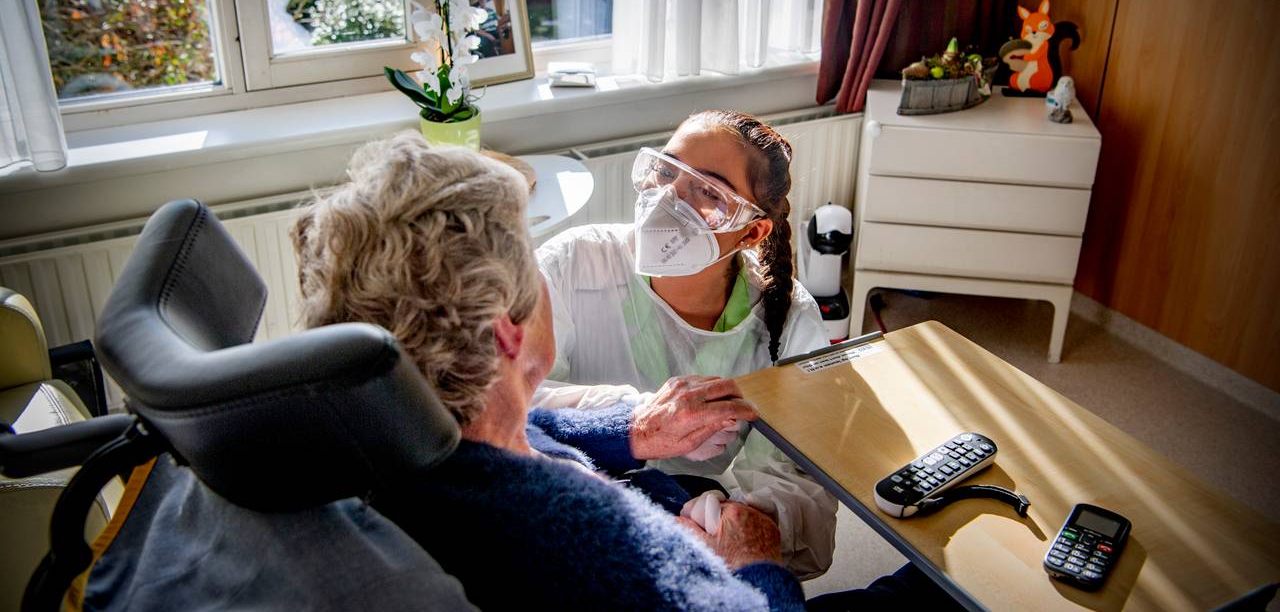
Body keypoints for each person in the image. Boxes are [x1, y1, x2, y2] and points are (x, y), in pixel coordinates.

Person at [292, 134, 960, 611]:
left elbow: (533, 427)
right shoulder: (582, 538)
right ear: (506, 330)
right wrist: (757, 560)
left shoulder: (398, 430)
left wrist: (628, 431)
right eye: (527, 258)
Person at [533, 110, 838, 576]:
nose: (668, 198)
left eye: (709, 192)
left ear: (752, 231)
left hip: (698, 520)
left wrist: (731, 520)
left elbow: (802, 476)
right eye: (666, 170)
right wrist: (633, 420)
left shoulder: (788, 318)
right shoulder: (573, 265)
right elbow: (502, 404)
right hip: (578, 495)